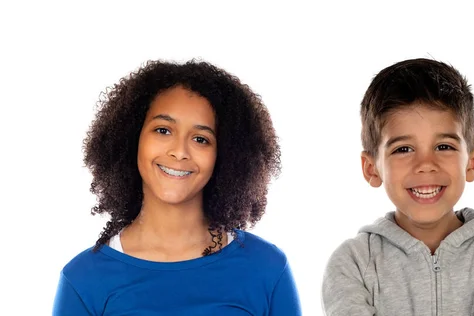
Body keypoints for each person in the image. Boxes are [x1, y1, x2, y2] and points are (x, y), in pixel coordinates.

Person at [52, 59, 302, 315]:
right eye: (163, 130)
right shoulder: (83, 281)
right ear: (132, 138)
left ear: (225, 155)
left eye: (200, 139)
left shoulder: (266, 268)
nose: (179, 151)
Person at [321, 58, 474, 315]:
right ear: (371, 168)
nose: (426, 164)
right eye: (403, 149)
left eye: (444, 147)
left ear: (472, 162)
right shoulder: (352, 264)